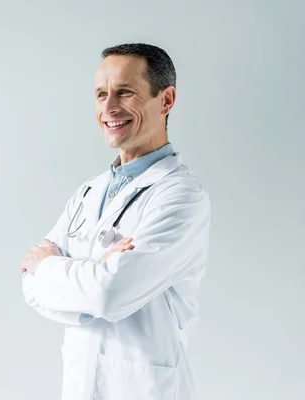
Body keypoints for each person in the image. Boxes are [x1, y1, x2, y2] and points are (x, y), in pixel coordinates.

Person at [21, 43, 210, 400]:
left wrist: (53, 268)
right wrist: (94, 278)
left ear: (166, 100)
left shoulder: (181, 196)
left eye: (125, 92)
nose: (108, 108)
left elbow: (111, 292)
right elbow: (30, 287)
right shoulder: (87, 194)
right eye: (101, 94)